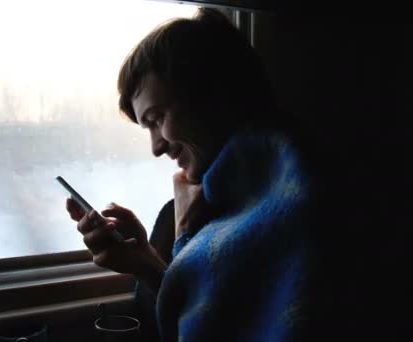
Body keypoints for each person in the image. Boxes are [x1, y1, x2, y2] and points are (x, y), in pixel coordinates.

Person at [65, 7, 325, 341]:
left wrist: (187, 233)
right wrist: (145, 261)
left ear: (213, 94)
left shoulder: (312, 196)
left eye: (157, 118)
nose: (156, 147)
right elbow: (212, 320)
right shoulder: (187, 212)